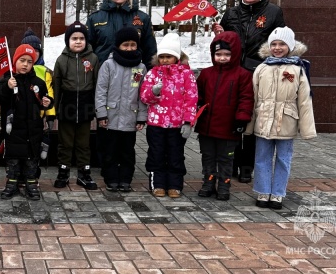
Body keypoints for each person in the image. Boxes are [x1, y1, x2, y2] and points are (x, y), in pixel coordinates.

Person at [213, 0, 286, 183]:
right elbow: (226, 43)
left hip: (260, 72)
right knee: (234, 117)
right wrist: (219, 33)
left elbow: (279, 43)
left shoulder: (273, 12)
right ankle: (233, 162)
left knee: (253, 122)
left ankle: (247, 166)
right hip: (234, 73)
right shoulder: (232, 13)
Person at [247, 27, 315, 210]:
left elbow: (304, 100)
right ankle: (263, 191)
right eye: (274, 44)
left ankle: (277, 193)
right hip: (263, 120)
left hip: (287, 121)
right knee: (262, 158)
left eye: (282, 44)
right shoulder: (261, 68)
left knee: (283, 159)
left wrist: (307, 129)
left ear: (290, 46)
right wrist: (249, 125)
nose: (277, 48)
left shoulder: (297, 69)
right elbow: (252, 97)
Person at [194, 32, 254, 201]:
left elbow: (246, 98)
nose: (222, 58)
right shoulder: (206, 74)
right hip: (207, 126)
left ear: (234, 54)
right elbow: (198, 95)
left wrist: (242, 118)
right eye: (218, 54)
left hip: (229, 127)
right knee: (208, 157)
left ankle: (224, 185)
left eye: (227, 55)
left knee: (226, 159)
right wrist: (196, 107)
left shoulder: (242, 75)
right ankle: (208, 182)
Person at [140, 33, 198, 198]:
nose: (165, 60)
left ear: (177, 57)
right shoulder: (153, 74)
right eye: (162, 57)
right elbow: (144, 97)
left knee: (175, 154)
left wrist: (188, 122)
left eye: (169, 57)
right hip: (156, 124)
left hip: (176, 124)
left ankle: (174, 184)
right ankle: (157, 183)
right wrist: (153, 91)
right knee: (156, 153)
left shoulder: (186, 74)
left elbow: (191, 98)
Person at [0, 44, 53, 200]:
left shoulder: (38, 82)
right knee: (13, 160)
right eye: (22, 60)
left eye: (29, 61)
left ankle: (31, 184)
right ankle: (12, 184)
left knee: (31, 160)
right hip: (13, 129)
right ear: (15, 61)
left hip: (33, 129)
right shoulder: (9, 80)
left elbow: (45, 99)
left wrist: (48, 102)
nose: (25, 64)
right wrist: (7, 87)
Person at [94, 27, 147, 192]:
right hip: (110, 118)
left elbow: (142, 95)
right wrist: (101, 113)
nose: (130, 48)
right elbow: (101, 91)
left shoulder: (141, 67)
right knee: (109, 151)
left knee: (127, 152)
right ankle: (111, 178)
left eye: (133, 45)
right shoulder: (108, 65)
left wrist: (141, 117)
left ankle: (125, 179)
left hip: (130, 118)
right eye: (126, 45)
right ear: (118, 46)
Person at [52, 21, 100, 190]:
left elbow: (97, 85)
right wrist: (55, 109)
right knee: (65, 143)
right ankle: (63, 173)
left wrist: (96, 108)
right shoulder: (62, 60)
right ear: (68, 41)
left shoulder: (93, 59)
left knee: (83, 143)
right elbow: (56, 85)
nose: (78, 41)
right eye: (74, 38)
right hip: (67, 107)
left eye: (81, 38)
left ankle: (84, 174)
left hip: (86, 106)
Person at [86, 0, 157, 66]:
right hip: (102, 74)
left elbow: (150, 51)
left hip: (133, 74)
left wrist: (150, 76)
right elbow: (87, 50)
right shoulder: (95, 18)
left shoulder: (143, 18)